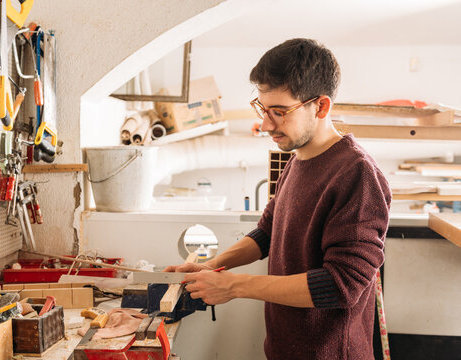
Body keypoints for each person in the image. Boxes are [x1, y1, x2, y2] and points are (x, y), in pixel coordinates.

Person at [164, 38, 391, 359]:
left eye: (280, 112)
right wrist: (213, 267)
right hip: (286, 348)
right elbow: (268, 233)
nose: (266, 124)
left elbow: (343, 284)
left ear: (321, 106)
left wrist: (234, 286)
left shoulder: (357, 174)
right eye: (262, 108)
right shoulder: (297, 158)